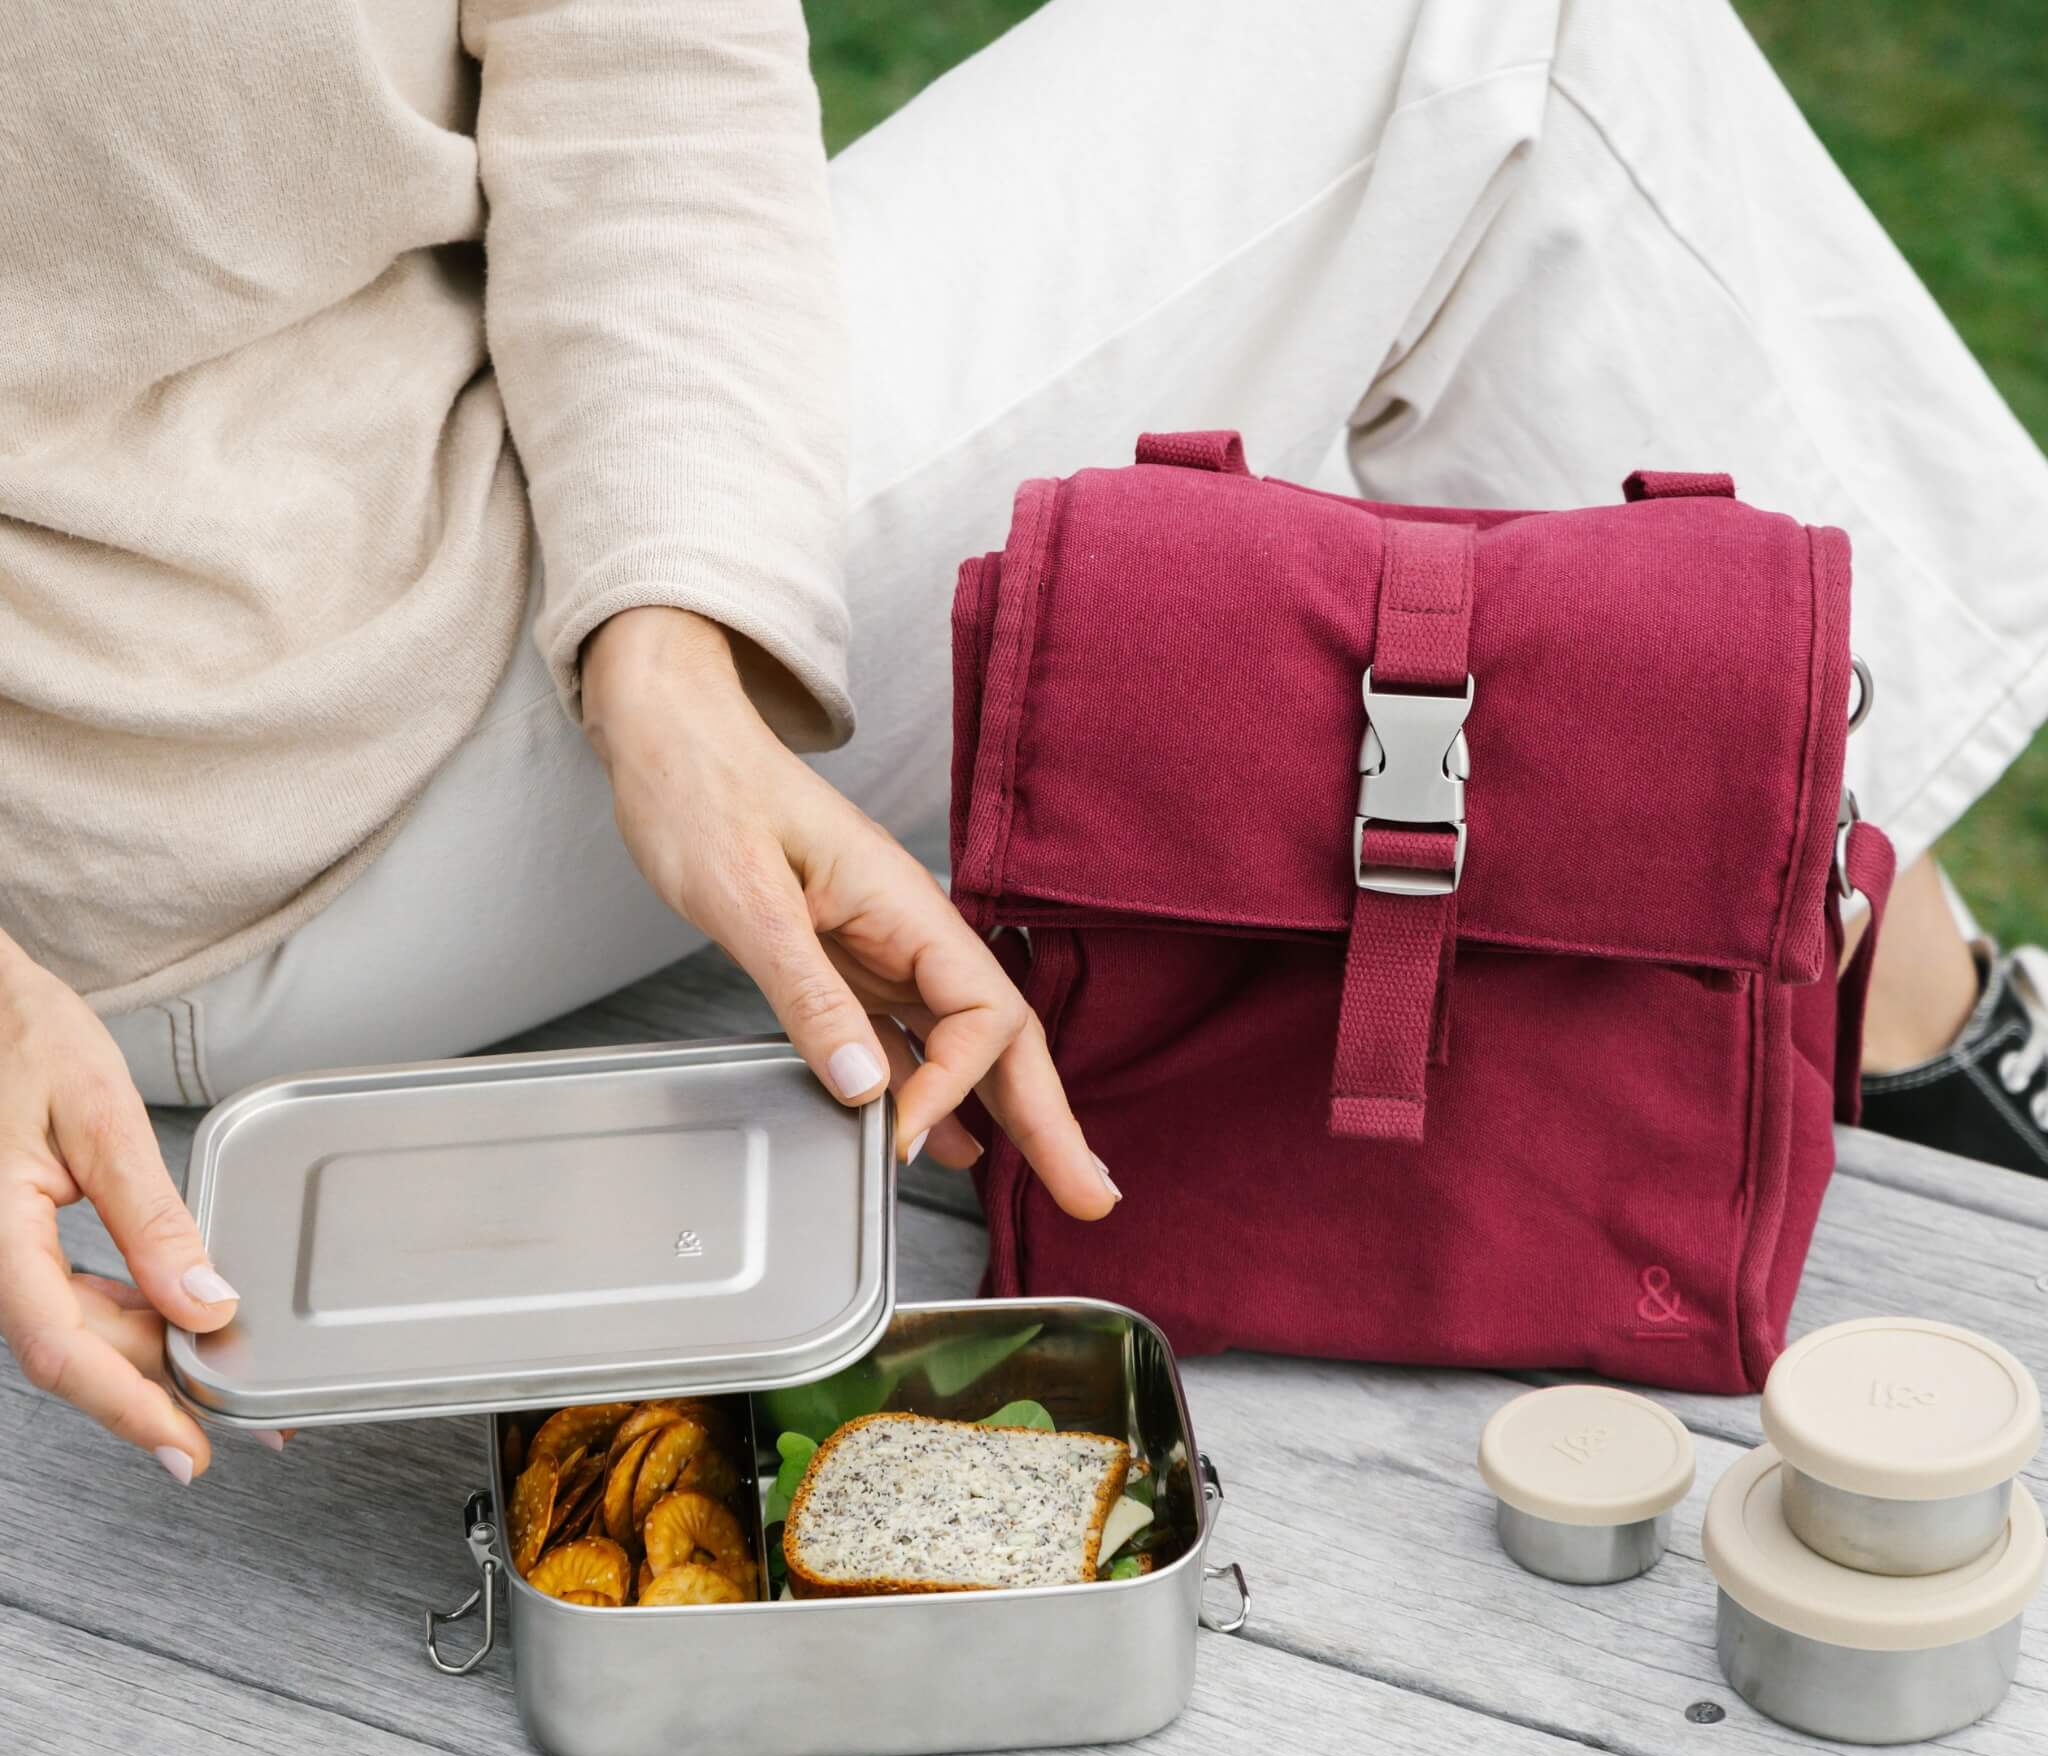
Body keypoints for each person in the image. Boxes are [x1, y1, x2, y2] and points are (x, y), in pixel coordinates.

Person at [3, 0, 2044, 1483]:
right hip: (163, 836)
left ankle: (1807, 973)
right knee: (1504, 38)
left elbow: (635, 73)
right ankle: (1894, 1030)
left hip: (523, 530)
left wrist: (670, 653)